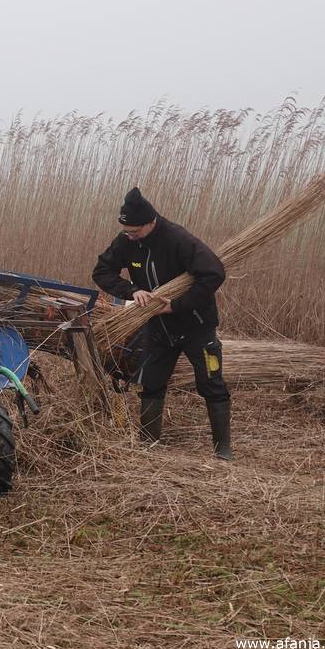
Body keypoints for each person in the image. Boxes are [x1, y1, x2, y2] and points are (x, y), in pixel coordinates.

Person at [92, 188, 232, 460]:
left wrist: (177, 305)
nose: (129, 236)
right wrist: (131, 290)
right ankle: (148, 447)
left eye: (134, 231)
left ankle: (223, 450)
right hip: (158, 328)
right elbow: (101, 271)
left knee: (212, 383)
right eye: (126, 231)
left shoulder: (178, 239)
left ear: (151, 222)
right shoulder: (126, 241)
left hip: (196, 326)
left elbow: (214, 273)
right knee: (152, 384)